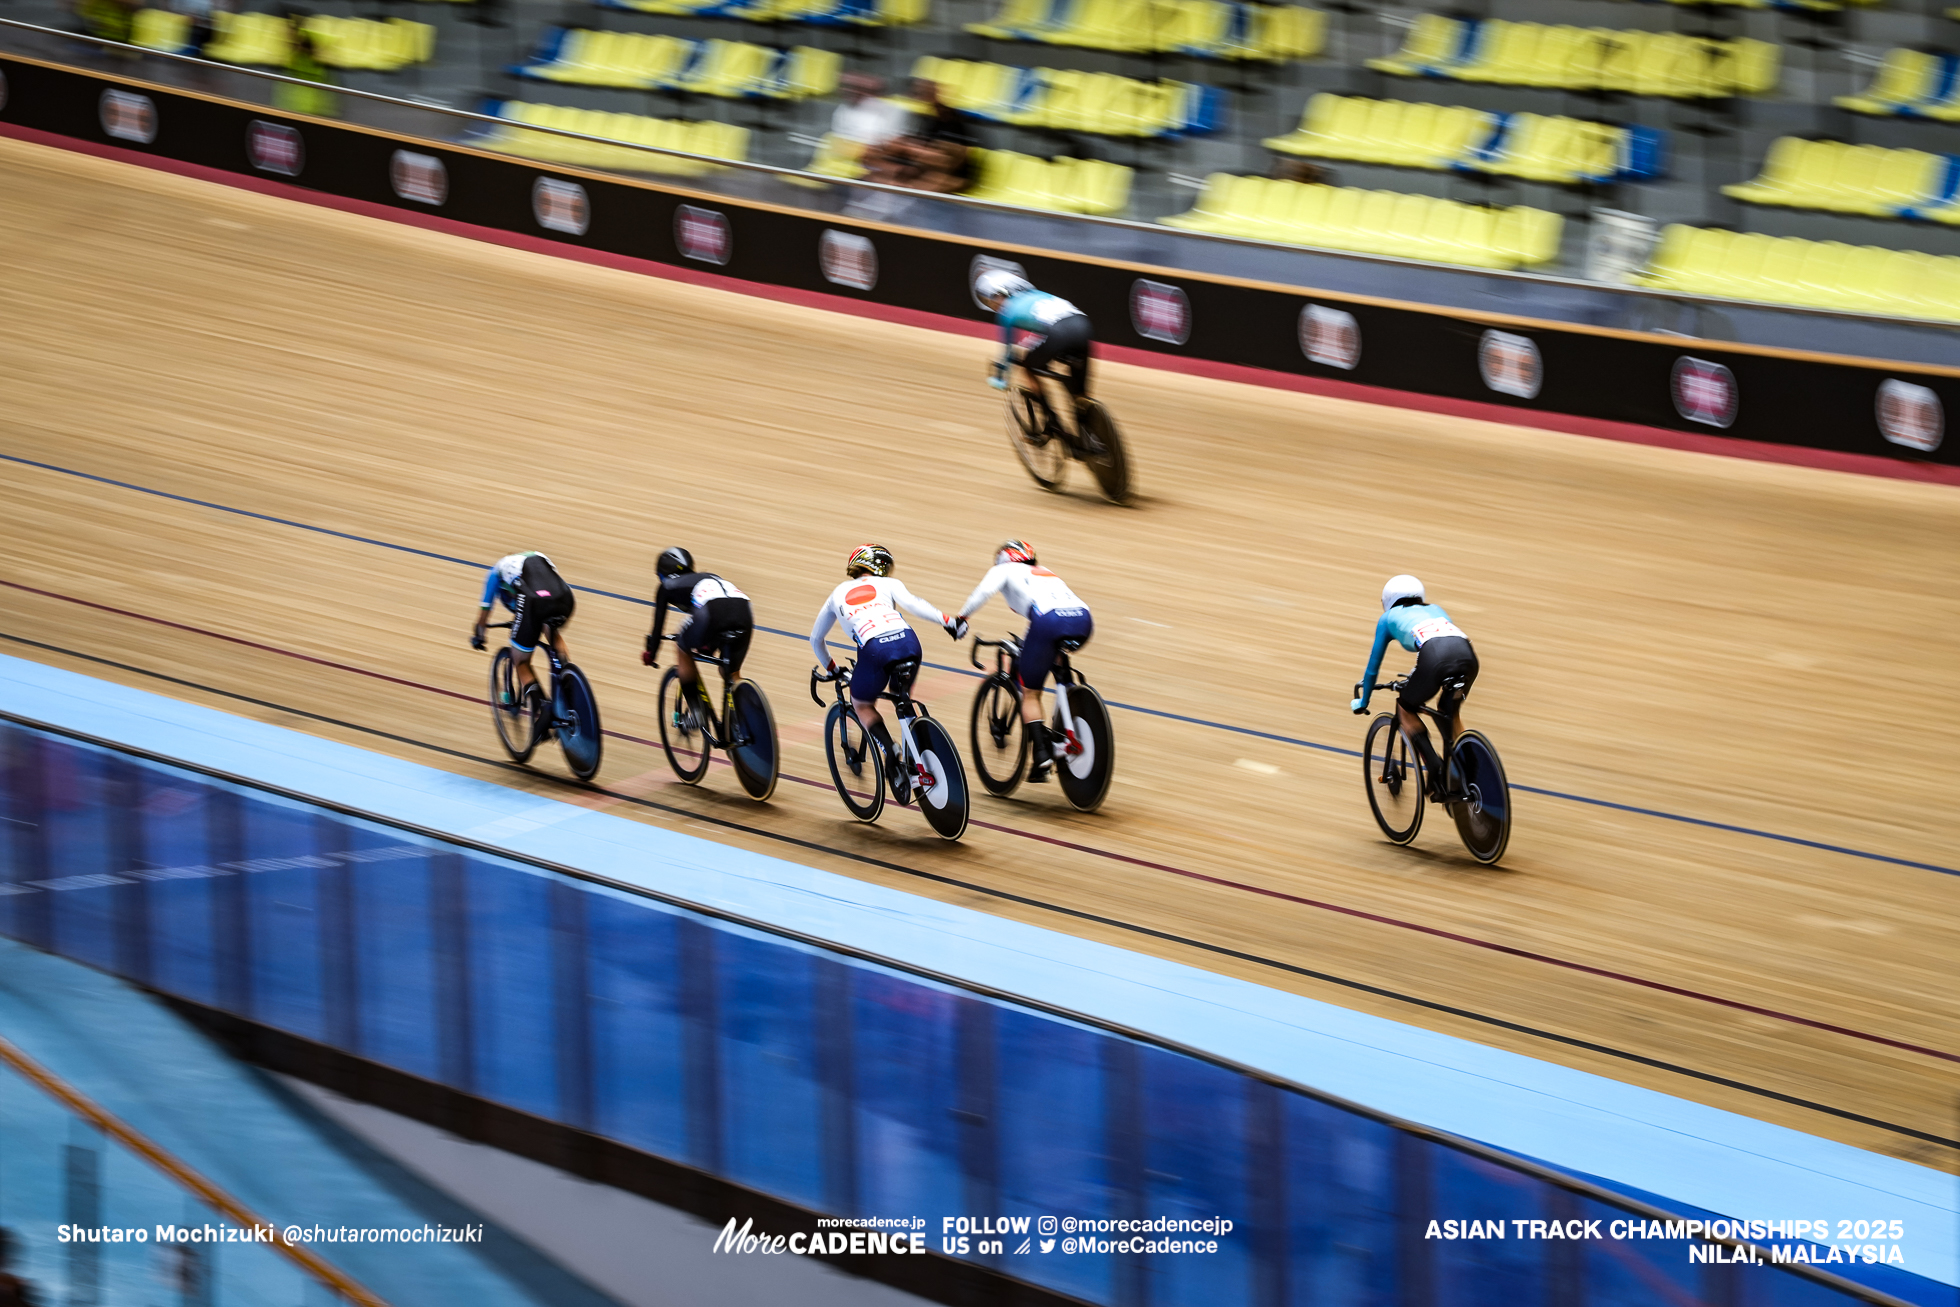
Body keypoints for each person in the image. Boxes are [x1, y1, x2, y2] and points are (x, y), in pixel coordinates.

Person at [810, 544, 964, 796]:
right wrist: (948, 621)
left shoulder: (837, 592)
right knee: (901, 694)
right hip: (909, 641)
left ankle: (891, 750)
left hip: (874, 649)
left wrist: (833, 669)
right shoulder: (889, 584)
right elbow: (914, 604)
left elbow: (816, 640)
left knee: (861, 703)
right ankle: (918, 750)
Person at [953, 540, 1091, 783]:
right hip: (1083, 619)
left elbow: (983, 592)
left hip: (1048, 621)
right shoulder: (1044, 572)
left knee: (1030, 692)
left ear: (1004, 559)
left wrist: (962, 617)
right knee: (1056, 658)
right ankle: (1071, 700)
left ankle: (1042, 754)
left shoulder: (1003, 570)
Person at [1350, 575, 1479, 800]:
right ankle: (1470, 763)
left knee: (1405, 707)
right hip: (1467, 656)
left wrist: (1363, 701)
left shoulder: (1388, 618)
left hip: (1434, 658)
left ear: (1388, 600)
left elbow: (1373, 667)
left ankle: (1435, 765)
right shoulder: (1435, 608)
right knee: (1448, 709)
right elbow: (1441, 640)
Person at [641, 546, 753, 714]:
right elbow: (721, 613)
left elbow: (658, 626)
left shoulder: (667, 586)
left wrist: (651, 653)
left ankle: (695, 712)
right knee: (729, 672)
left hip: (712, 611)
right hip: (744, 609)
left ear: (662, 573)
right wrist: (709, 644)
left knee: (681, 646)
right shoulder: (710, 577)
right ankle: (747, 718)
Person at [470, 551, 575, 715]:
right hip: (565, 598)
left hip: (533, 603)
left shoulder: (496, 572)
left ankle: (543, 710)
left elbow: (484, 612)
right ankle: (567, 675)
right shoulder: (540, 558)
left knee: (521, 661)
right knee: (549, 628)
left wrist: (479, 635)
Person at [975, 270, 1093, 403]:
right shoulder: (1037, 294)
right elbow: (1045, 329)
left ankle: (1050, 418)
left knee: (1028, 364)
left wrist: (1000, 378)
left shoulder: (1007, 311)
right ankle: (1085, 408)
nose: (992, 306)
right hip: (1083, 325)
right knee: (1080, 393)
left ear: (1000, 294)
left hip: (1058, 333)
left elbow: (1008, 352)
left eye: (990, 300)